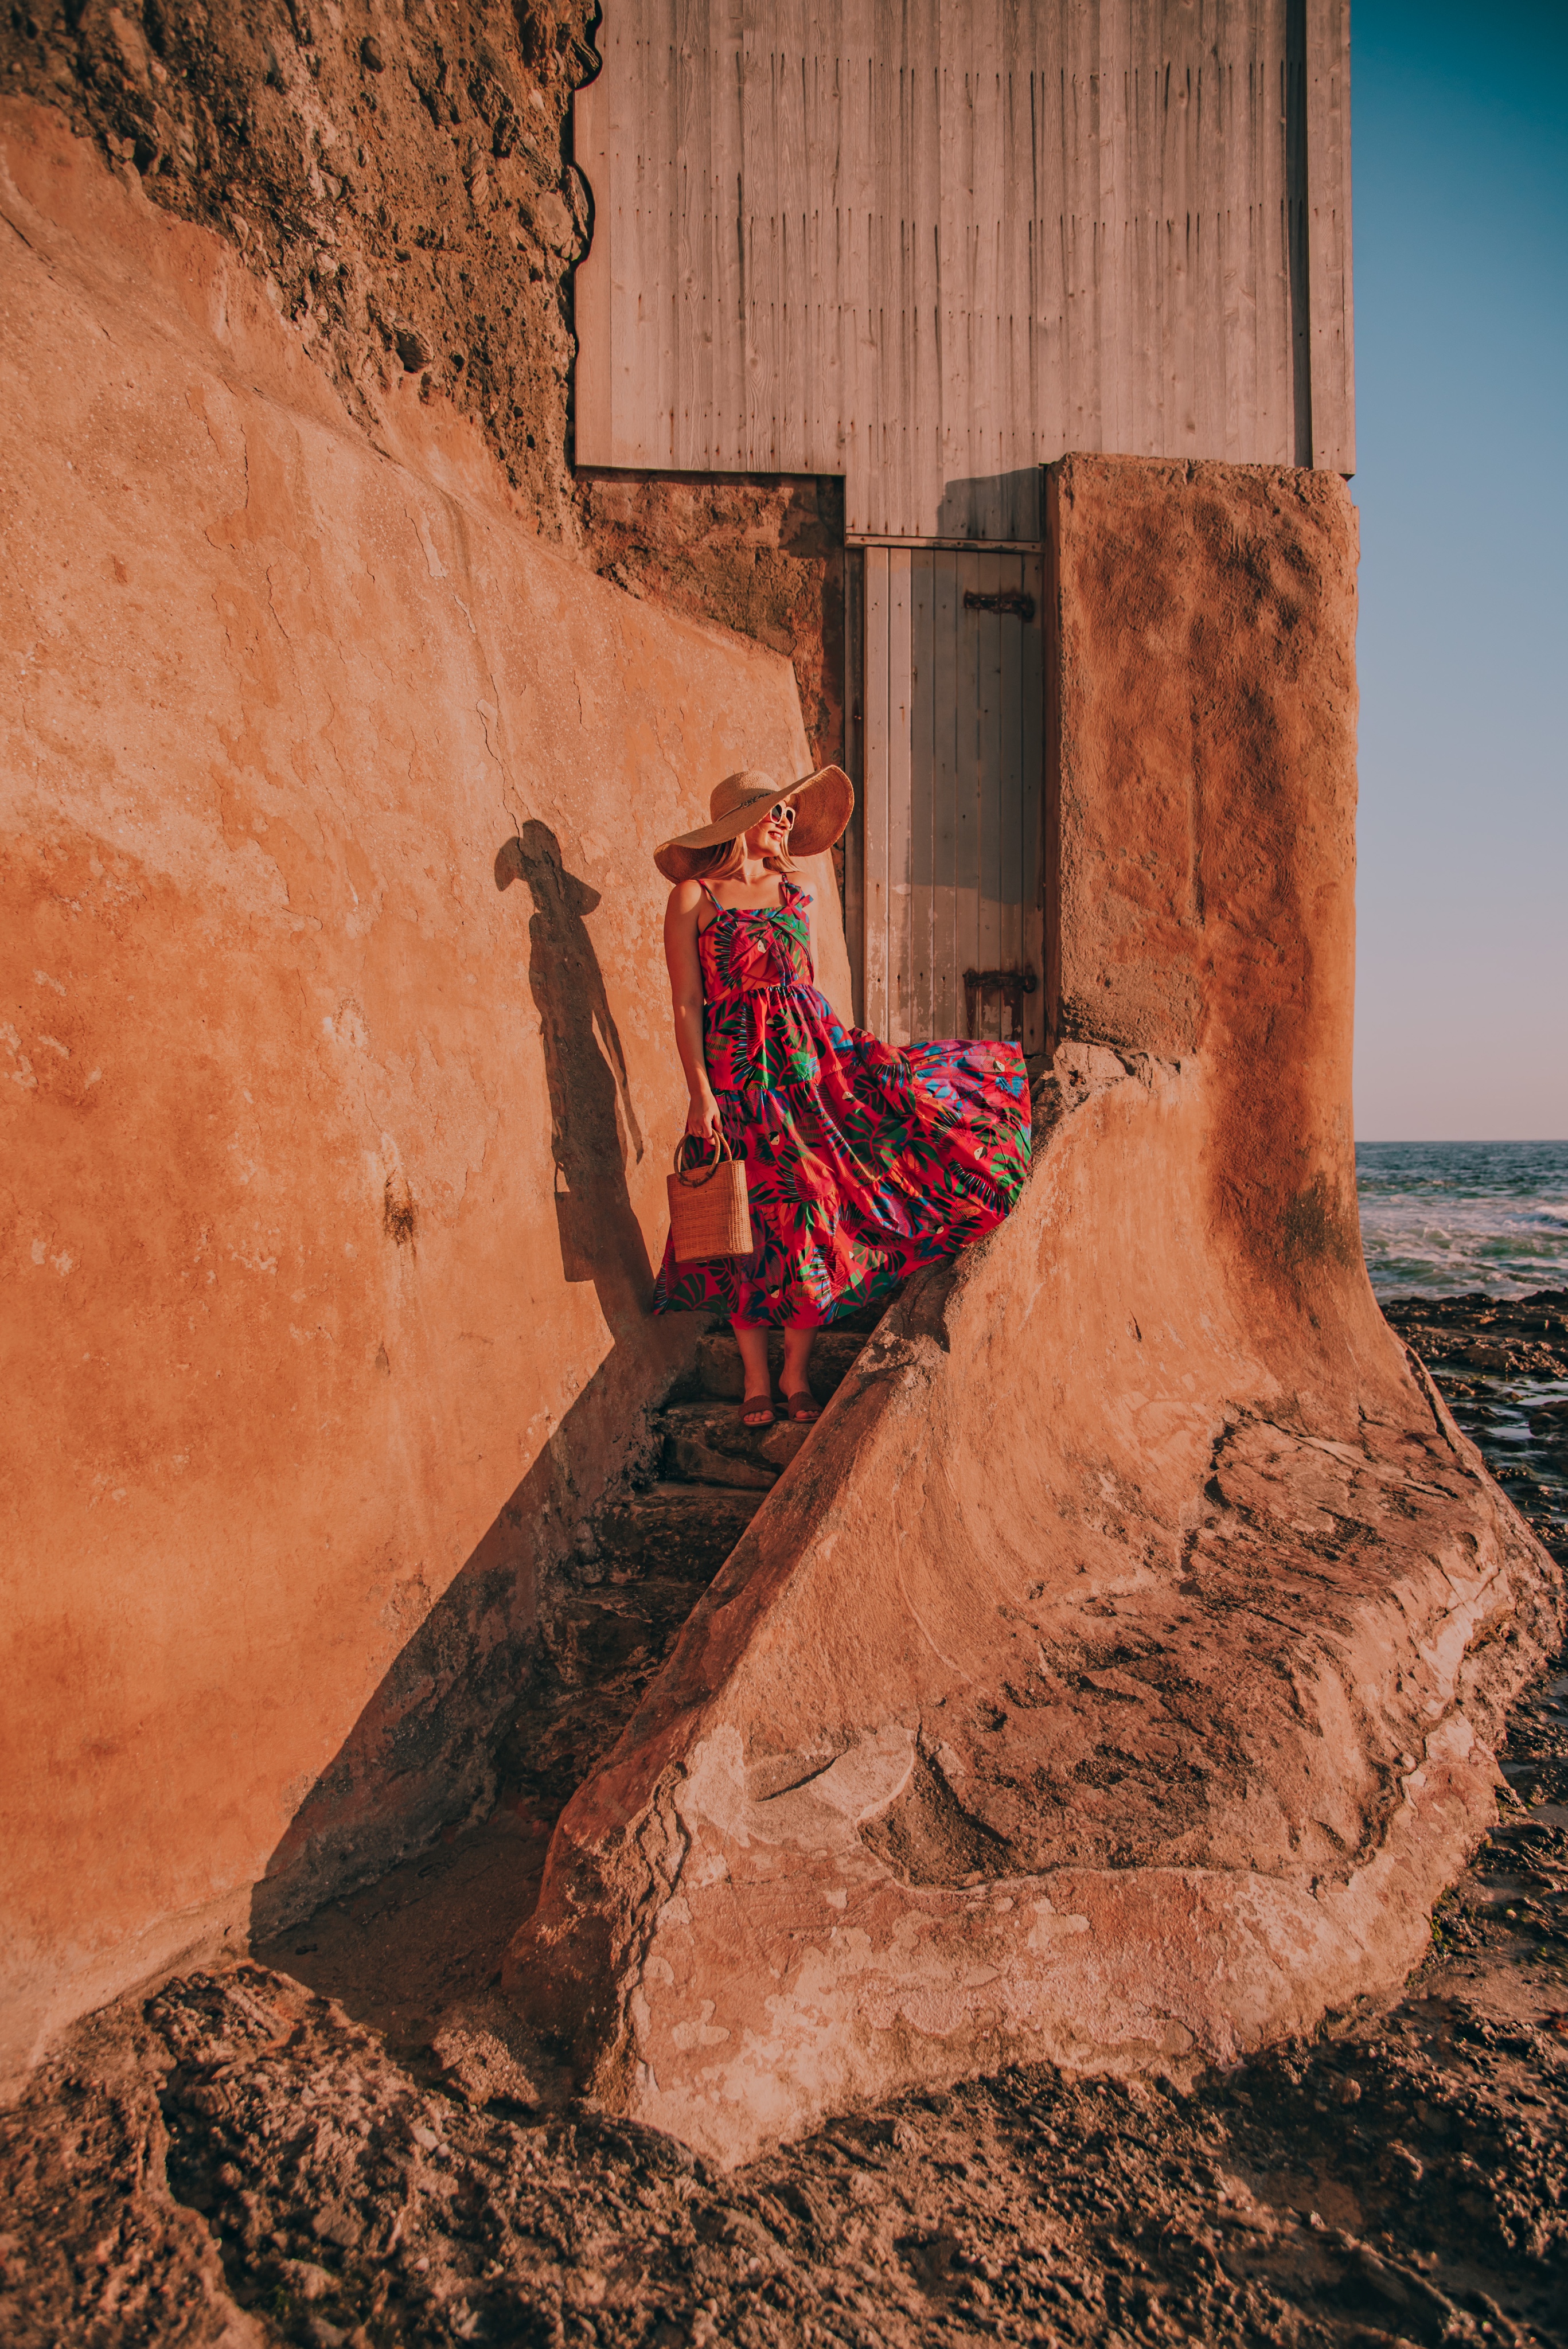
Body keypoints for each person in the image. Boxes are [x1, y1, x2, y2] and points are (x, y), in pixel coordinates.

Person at [651, 764, 1031, 1427]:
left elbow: (809, 988)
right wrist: (699, 1093)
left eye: (790, 814)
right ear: (739, 821)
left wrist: (848, 1059)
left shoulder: (797, 893)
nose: (785, 822)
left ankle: (795, 1372)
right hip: (739, 1075)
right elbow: (687, 1002)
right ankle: (754, 1380)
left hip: (811, 1066)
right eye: (775, 811)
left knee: (810, 1211)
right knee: (748, 1223)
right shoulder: (694, 896)